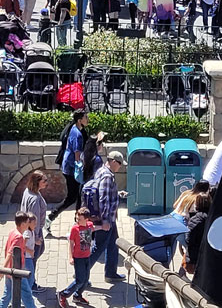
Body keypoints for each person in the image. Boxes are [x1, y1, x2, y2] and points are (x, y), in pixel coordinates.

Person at [87, 150, 125, 282]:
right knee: (98, 247)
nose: (120, 166)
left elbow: (105, 193)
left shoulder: (101, 171)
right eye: (119, 163)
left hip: (110, 218)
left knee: (113, 244)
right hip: (106, 219)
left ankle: (111, 273)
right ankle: (81, 275)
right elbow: (103, 199)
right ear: (113, 162)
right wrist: (105, 221)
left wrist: (118, 194)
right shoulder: (107, 176)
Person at [48, 110, 87, 228]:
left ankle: (77, 221)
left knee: (78, 196)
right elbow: (77, 153)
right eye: (86, 117)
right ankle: (51, 217)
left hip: (68, 167)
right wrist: (80, 168)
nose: (87, 119)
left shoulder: (74, 129)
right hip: (71, 169)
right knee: (72, 197)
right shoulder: (78, 134)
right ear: (80, 120)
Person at [58, 208, 94, 308]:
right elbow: (71, 242)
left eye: (79, 219)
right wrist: (70, 257)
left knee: (86, 280)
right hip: (78, 258)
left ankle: (78, 296)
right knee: (79, 280)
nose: (77, 221)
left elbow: (95, 227)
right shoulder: (75, 229)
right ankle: (64, 294)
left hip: (87, 256)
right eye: (76, 218)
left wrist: (103, 227)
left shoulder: (89, 226)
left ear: (86, 219)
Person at [0, 210, 36, 308]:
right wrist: (3, 269)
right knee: (27, 294)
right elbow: (10, 253)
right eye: (27, 222)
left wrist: (6, 270)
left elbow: (6, 249)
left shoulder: (12, 232)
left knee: (7, 295)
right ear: (23, 224)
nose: (29, 224)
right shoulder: (19, 237)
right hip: (16, 270)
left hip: (9, 271)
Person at [20, 171, 48, 291]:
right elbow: (34, 219)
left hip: (28, 229)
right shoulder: (35, 199)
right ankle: (30, 283)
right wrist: (35, 237)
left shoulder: (29, 191)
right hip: (33, 232)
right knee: (32, 256)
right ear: (37, 183)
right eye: (44, 181)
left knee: (37, 253)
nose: (46, 183)